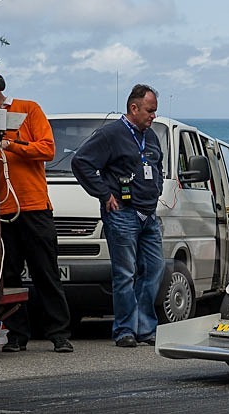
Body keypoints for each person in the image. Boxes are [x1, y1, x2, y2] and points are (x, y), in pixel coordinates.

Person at [71, 84, 164, 348]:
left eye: (155, 111)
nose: (153, 116)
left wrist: (156, 190)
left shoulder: (152, 137)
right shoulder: (110, 134)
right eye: (149, 110)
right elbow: (82, 163)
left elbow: (157, 164)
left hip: (148, 213)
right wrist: (103, 194)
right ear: (133, 108)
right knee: (125, 273)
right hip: (122, 213)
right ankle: (125, 329)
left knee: (154, 269)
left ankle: (146, 328)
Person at [0, 68, 73, 354]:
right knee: (10, 274)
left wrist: (12, 145)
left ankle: (59, 334)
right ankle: (17, 335)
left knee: (46, 272)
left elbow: (48, 149)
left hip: (34, 206)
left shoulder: (28, 110)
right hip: (3, 209)